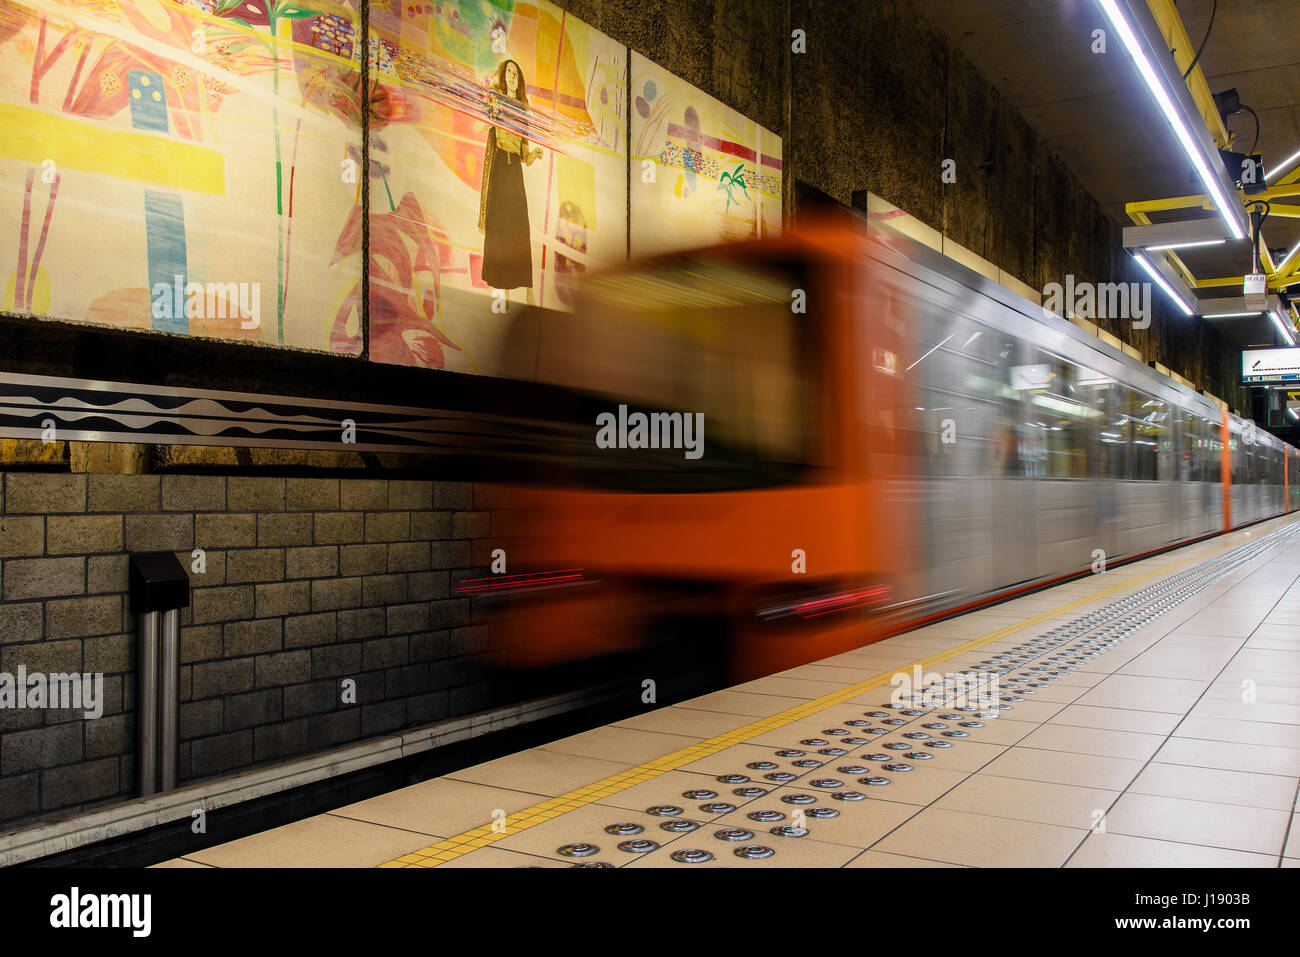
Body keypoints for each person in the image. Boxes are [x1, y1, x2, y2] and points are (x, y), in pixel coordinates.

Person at [478, 59, 543, 304]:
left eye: (516, 72)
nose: (512, 76)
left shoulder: (523, 109)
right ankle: (502, 291)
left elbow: (525, 156)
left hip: (514, 168)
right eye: (509, 72)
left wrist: (534, 155)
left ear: (520, 78)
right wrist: (491, 116)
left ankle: (528, 290)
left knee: (520, 228)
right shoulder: (496, 101)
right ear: (504, 77)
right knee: (500, 229)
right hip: (499, 169)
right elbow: (478, 127)